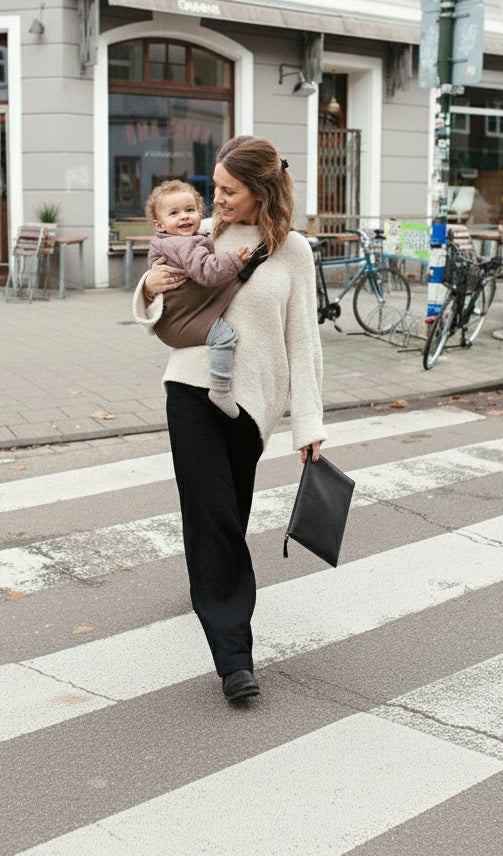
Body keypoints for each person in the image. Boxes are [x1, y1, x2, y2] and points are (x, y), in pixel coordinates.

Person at [132, 135, 326, 703]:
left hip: (252, 407)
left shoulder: (292, 251)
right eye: (213, 188)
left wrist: (307, 424)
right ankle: (234, 658)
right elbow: (161, 314)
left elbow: (304, 341)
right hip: (190, 387)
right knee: (213, 512)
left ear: (260, 190)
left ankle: (207, 586)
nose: (214, 200)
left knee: (226, 514)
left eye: (227, 191)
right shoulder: (198, 235)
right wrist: (146, 288)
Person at [145, 178, 256, 418]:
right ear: (159, 224)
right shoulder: (181, 244)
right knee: (225, 337)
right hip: (182, 320)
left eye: (190, 210)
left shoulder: (183, 238)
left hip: (179, 317)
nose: (184, 217)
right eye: (174, 213)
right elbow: (206, 272)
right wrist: (235, 260)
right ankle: (220, 389)